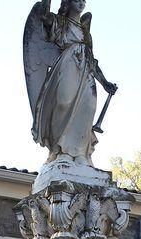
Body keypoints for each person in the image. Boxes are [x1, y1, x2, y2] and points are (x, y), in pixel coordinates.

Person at [28, 0, 118, 163]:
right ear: (68, 3)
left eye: (83, 0)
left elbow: (92, 59)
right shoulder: (59, 22)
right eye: (77, 0)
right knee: (63, 103)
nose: (81, 3)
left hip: (86, 72)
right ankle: (60, 151)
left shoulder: (85, 32)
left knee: (87, 108)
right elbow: (44, 17)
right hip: (67, 66)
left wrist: (104, 82)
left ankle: (80, 153)